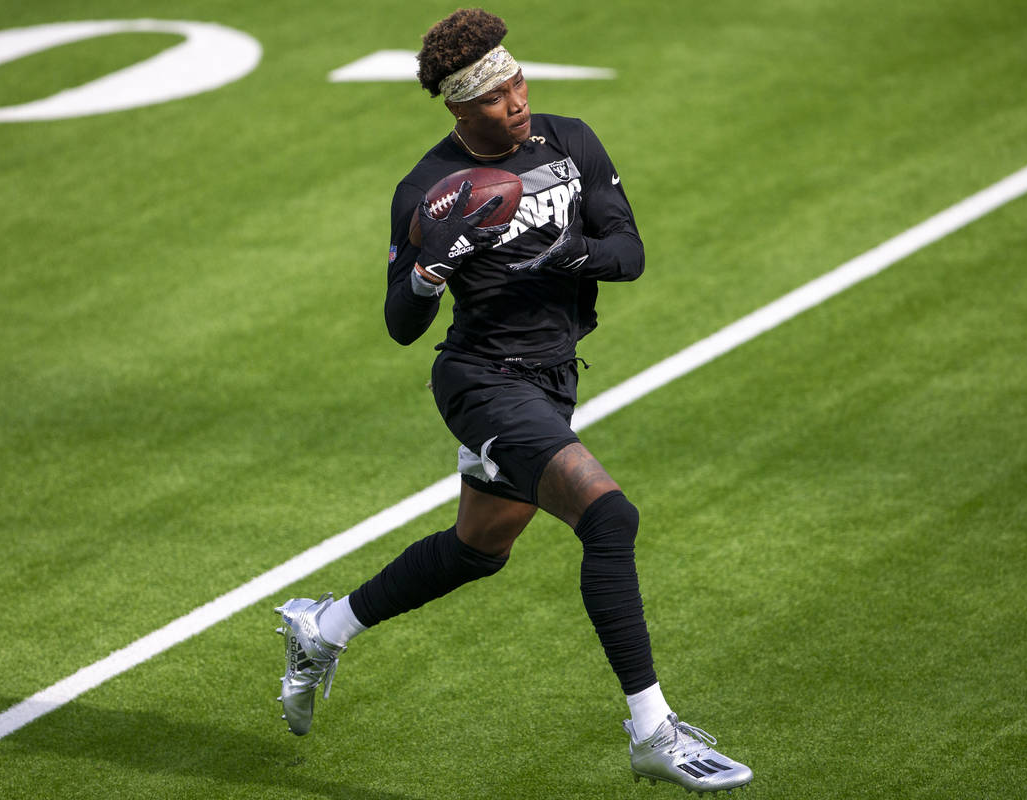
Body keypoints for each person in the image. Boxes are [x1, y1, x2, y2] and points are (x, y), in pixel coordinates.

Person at [275, 8, 752, 794]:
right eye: (495, 96)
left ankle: (322, 628)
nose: (517, 100)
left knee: (478, 551)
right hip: (484, 381)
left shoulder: (570, 141)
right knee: (610, 517)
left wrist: (574, 253)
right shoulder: (427, 189)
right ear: (461, 110)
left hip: (553, 378)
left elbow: (628, 253)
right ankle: (653, 731)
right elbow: (400, 324)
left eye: (518, 80)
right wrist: (431, 269)